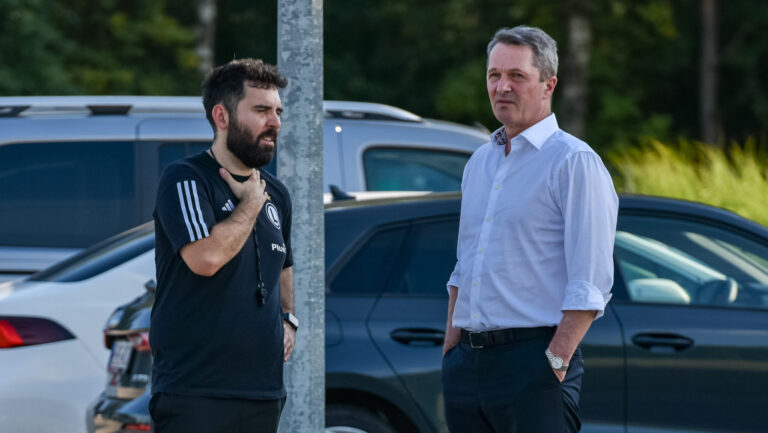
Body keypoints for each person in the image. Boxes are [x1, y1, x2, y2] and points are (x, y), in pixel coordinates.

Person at [441, 26, 618, 433]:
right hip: (467, 366)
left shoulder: (573, 162)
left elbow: (590, 281)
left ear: (548, 85)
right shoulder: (479, 162)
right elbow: (464, 266)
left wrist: (555, 361)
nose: (502, 86)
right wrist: (451, 346)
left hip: (534, 363)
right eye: (494, 75)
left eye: (516, 76)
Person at [149, 58, 298, 433]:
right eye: (261, 110)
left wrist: (289, 319)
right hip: (196, 393)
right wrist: (250, 204)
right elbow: (207, 257)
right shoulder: (186, 179)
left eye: (278, 112)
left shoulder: (277, 194)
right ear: (222, 116)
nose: (275, 122)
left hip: (263, 392)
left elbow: (284, 265)